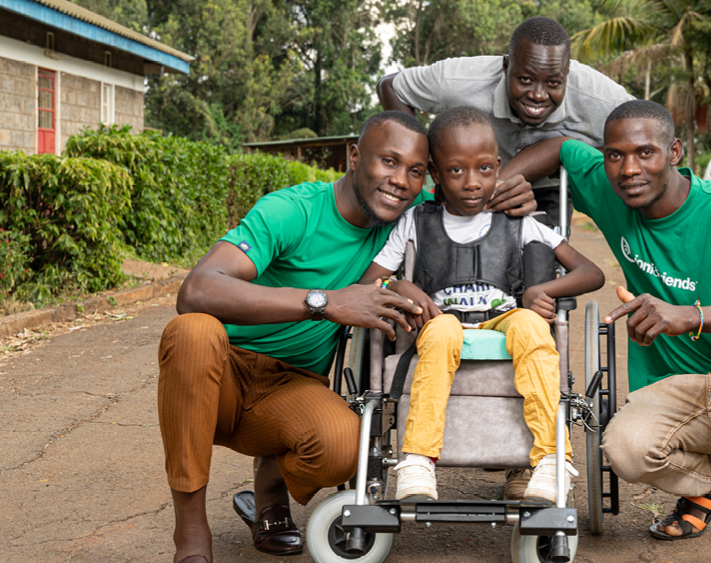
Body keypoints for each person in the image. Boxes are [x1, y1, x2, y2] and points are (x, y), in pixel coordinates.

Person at [157, 110, 537, 563]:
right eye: (388, 162)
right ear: (354, 156)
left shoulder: (414, 218)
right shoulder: (292, 211)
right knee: (192, 331)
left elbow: (469, 188)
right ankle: (191, 529)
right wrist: (326, 302)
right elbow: (197, 289)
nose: (400, 180)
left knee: (345, 449)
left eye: (416, 171)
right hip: (220, 372)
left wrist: (511, 191)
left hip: (292, 384)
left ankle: (271, 484)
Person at [508, 100, 711, 563]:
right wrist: (494, 185)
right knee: (624, 448)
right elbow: (561, 147)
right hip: (673, 390)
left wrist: (690, 316)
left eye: (645, 153)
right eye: (615, 155)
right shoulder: (614, 190)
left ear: (674, 152)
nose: (628, 169)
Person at [359, 106, 605, 504]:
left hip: (502, 321)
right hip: (442, 324)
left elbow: (591, 272)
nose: (472, 183)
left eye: (484, 170)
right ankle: (418, 459)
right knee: (440, 329)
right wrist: (399, 283)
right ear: (437, 174)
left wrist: (538, 293)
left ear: (498, 166)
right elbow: (369, 282)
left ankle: (551, 460)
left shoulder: (519, 220)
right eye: (456, 171)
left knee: (529, 324)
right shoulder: (416, 221)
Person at [378, 16, 634, 233]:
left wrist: (585, 157)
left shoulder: (600, 97)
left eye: (553, 83)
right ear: (505, 66)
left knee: (543, 260)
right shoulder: (459, 79)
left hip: (549, 185)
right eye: (525, 79)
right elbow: (391, 86)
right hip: (470, 179)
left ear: (568, 74)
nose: (537, 94)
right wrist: (421, 164)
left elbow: (646, 134)